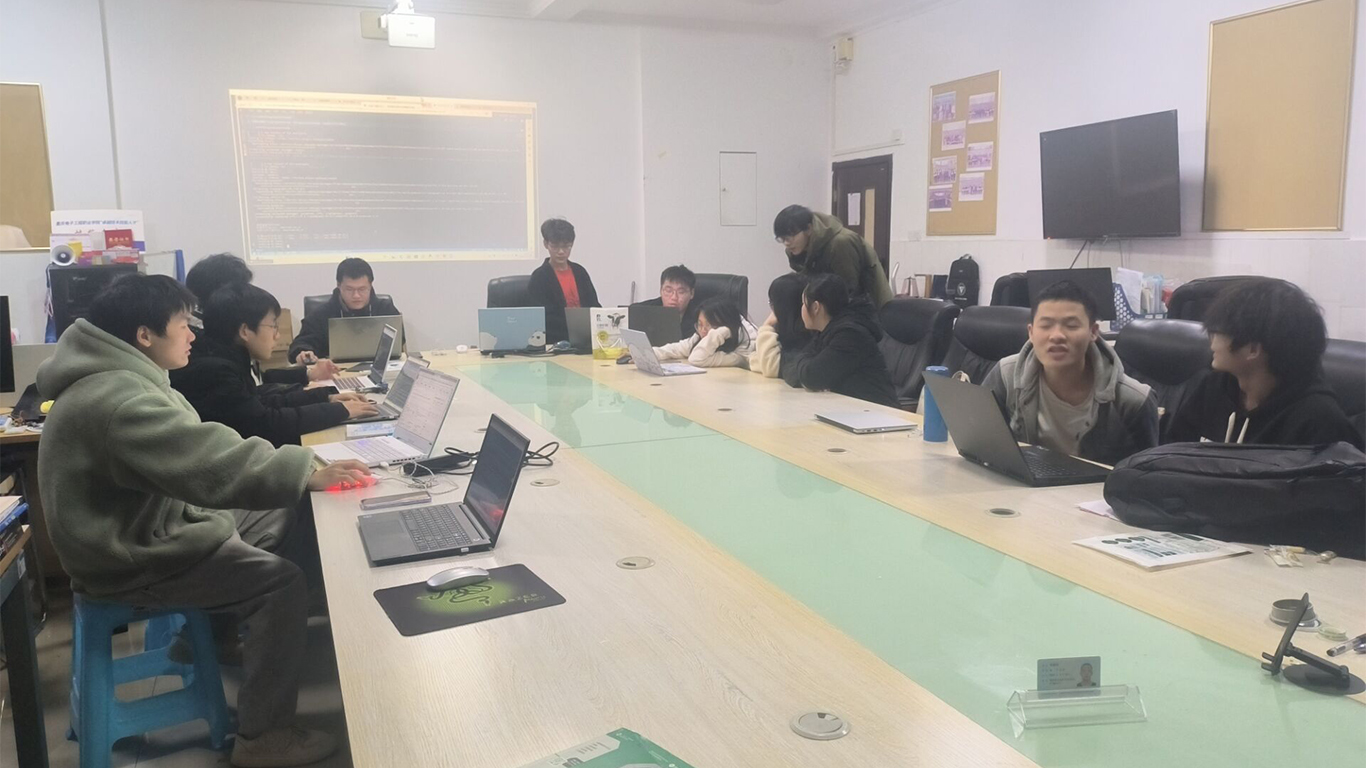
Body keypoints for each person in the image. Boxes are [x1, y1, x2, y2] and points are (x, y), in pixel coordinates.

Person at [36, 273, 371, 767]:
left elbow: (201, 452)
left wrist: (294, 479)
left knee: (278, 513)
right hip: (126, 556)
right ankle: (263, 738)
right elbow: (204, 460)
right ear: (144, 335)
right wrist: (304, 471)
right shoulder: (120, 400)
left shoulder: (120, 377)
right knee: (281, 584)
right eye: (181, 324)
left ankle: (214, 636)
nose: (193, 333)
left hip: (142, 527)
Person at [173, 283, 378, 447]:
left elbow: (261, 399)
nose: (277, 335)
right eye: (273, 326)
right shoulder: (215, 372)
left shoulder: (225, 358)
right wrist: (340, 411)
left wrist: (327, 397)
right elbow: (267, 423)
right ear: (245, 331)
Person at [1167, 279, 1360, 448]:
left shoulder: (1320, 422)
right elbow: (1170, 455)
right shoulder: (1214, 387)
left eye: (1217, 332)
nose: (1212, 342)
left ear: (1253, 349)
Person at [984, 280, 1158, 466]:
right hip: (1020, 482)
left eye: (1071, 325)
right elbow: (980, 443)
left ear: (1093, 332)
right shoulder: (1006, 375)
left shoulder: (1132, 401)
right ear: (1031, 333)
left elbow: (1145, 476)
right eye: (1046, 325)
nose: (1057, 336)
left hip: (1096, 485)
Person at [178, 252, 342, 391]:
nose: (248, 294)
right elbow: (257, 402)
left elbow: (256, 381)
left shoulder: (218, 335)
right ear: (222, 297)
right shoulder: (205, 350)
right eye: (241, 289)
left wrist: (308, 375)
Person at [782, 274, 898, 407]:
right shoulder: (825, 331)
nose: (801, 309)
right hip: (850, 409)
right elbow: (789, 367)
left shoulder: (850, 335)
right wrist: (803, 365)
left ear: (815, 307)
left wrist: (803, 365)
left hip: (878, 412)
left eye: (803, 303)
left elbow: (812, 377)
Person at [773, 204, 893, 310]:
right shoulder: (796, 249)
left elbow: (849, 291)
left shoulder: (840, 243)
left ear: (808, 229)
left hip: (871, 309)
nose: (786, 243)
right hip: (834, 308)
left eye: (790, 237)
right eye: (782, 239)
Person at [289, 257, 400, 363]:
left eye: (362, 289)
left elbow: (399, 341)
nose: (356, 295)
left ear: (370, 286)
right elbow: (301, 344)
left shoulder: (385, 309)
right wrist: (303, 353)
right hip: (334, 371)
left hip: (377, 369)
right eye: (349, 289)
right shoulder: (321, 314)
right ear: (339, 285)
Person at [528, 218, 600, 343]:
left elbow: (594, 306)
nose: (561, 252)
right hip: (556, 341)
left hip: (586, 339)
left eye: (566, 246)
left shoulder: (580, 272)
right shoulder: (540, 277)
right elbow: (542, 318)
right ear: (546, 244)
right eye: (555, 246)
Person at [653, 297, 758, 369]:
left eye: (709, 325)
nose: (702, 330)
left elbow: (697, 359)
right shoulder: (702, 333)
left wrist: (721, 333)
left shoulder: (744, 349)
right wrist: (647, 354)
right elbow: (676, 349)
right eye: (700, 324)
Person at [750, 273, 813, 379]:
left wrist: (766, 325)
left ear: (782, 306)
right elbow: (754, 359)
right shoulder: (785, 328)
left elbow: (770, 367)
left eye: (772, 303)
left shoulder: (807, 335)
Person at [633, 264, 700, 340]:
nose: (674, 297)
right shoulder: (647, 309)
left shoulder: (700, 316)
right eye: (668, 291)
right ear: (661, 290)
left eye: (681, 292)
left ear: (692, 293)